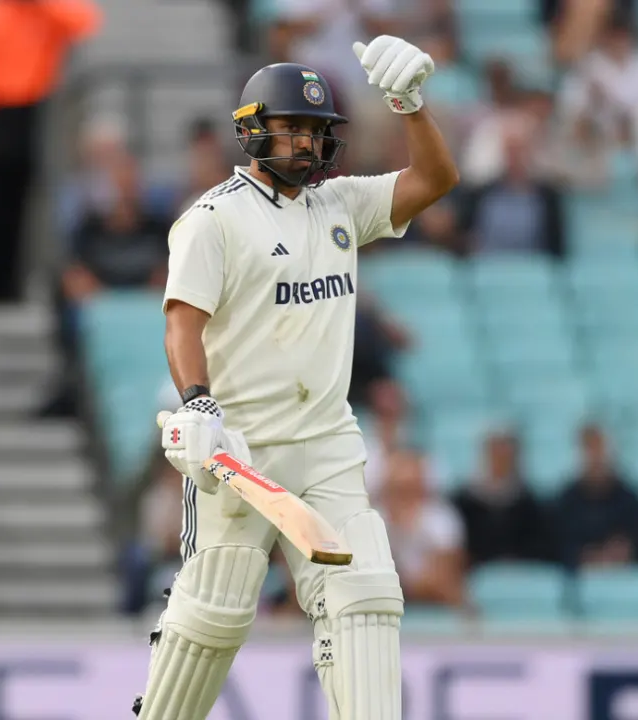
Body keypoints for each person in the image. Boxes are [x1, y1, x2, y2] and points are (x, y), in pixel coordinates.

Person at [133, 35, 459, 719]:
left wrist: (409, 106)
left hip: (327, 442)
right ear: (252, 130)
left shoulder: (338, 205)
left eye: (316, 131)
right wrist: (197, 406)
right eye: (292, 128)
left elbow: (434, 180)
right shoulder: (213, 218)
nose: (307, 143)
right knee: (214, 615)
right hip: (241, 447)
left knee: (367, 598)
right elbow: (182, 324)